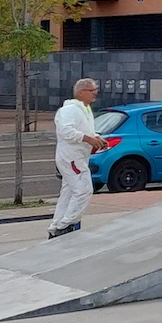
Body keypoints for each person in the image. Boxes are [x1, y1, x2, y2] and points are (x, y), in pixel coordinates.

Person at [49, 78, 106, 239]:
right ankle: (65, 225)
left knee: (69, 191)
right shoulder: (69, 110)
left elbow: (85, 130)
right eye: (91, 90)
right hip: (71, 157)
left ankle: (57, 226)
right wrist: (89, 139)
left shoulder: (84, 110)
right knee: (84, 189)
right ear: (81, 92)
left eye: (95, 89)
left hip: (77, 157)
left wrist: (96, 137)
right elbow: (66, 131)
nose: (95, 93)